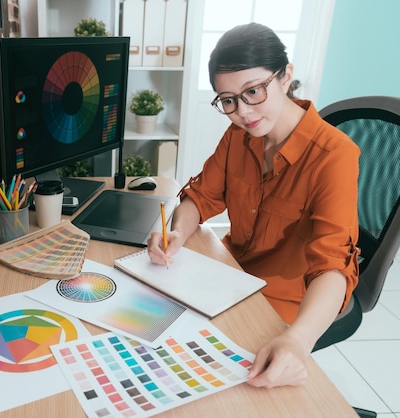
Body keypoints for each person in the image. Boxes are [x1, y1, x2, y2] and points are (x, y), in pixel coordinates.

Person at [147, 23, 360, 388]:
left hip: (284, 305)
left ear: (286, 77)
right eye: (228, 100)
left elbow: (332, 268)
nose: (243, 112)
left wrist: (298, 340)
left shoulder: (334, 155)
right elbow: (201, 198)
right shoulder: (239, 137)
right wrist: (177, 232)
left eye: (253, 91)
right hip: (231, 278)